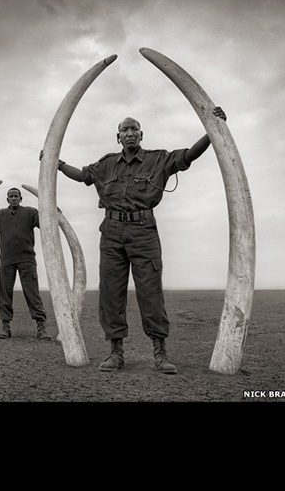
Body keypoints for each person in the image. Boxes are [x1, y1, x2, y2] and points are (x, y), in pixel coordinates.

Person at [55, 107, 226, 374]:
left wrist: (212, 130)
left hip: (144, 232)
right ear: (118, 137)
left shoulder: (158, 160)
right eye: (125, 130)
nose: (130, 133)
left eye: (134, 129)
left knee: (150, 292)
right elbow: (82, 176)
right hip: (111, 234)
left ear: (141, 134)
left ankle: (160, 353)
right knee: (111, 293)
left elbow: (189, 155)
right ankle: (115, 353)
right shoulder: (106, 164)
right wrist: (57, 163)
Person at [0, 188, 53, 341]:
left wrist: (53, 211)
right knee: (4, 295)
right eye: (11, 196)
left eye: (16, 196)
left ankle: (41, 328)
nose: (14, 198)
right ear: (7, 199)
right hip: (7, 261)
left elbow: (45, 224)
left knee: (32, 293)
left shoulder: (30, 212)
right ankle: (5, 327)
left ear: (21, 198)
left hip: (27, 260)